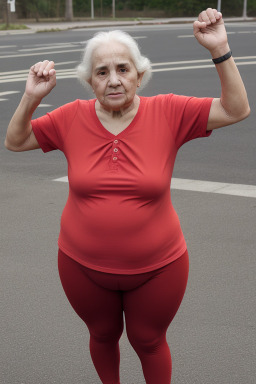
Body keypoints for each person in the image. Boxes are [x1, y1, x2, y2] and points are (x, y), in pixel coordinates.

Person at [5, 8, 250, 384]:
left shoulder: (169, 111)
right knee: (101, 335)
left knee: (148, 341)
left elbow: (237, 109)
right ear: (90, 81)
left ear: (140, 74)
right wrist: (31, 97)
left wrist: (220, 49)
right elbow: (15, 141)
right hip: (81, 265)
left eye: (123, 69)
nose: (114, 80)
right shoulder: (70, 117)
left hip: (159, 267)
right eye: (102, 72)